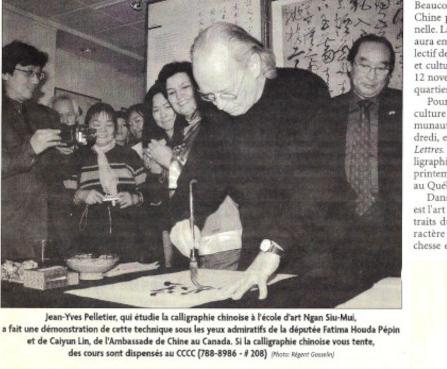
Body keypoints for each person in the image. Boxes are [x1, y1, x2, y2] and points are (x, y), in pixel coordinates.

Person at [168, 21, 347, 300]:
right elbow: (198, 177)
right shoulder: (217, 112)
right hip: (258, 242)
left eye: (226, 92)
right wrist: (184, 217)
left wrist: (275, 248)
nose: (220, 104)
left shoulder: (303, 91)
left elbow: (316, 182)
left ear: (253, 65)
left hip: (318, 241)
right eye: (209, 95)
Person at [320, 34, 402, 282]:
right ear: (349, 66)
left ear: (389, 73)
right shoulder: (325, 113)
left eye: (381, 68)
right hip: (337, 234)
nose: (371, 76)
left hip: (392, 232)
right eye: (364, 66)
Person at [158, 61, 243, 270]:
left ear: (198, 88)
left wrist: (170, 162)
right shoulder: (185, 132)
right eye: (171, 92)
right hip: (195, 239)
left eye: (185, 87)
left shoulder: (216, 123)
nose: (179, 96)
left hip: (222, 236)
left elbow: (209, 175)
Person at [1, 41, 71, 260]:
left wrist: (65, 152)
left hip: (54, 224)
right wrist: (31, 148)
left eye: (38, 74)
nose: (35, 81)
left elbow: (61, 167)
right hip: (11, 227)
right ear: (5, 73)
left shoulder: (47, 115)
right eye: (28, 73)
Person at [67, 103, 157, 261]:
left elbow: (151, 192)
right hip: (90, 241)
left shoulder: (130, 156)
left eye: (108, 125)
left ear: (115, 129)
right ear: (87, 127)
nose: (103, 130)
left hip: (131, 239)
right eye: (96, 124)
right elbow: (63, 198)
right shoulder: (77, 158)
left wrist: (135, 198)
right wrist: (81, 195)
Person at [141, 83, 179, 265]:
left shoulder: (193, 137)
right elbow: (153, 202)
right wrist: (155, 173)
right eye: (156, 110)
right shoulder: (154, 145)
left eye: (167, 107)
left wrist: (169, 162)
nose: (162, 114)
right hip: (167, 228)